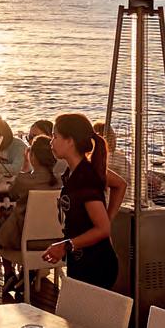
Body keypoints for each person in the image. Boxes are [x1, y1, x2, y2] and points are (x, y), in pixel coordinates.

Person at [42, 113, 120, 289]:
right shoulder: (74, 172)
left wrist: (66, 246)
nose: (51, 142)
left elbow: (103, 229)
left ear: (70, 141)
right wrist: (107, 218)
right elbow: (120, 184)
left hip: (95, 264)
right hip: (79, 258)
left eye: (55, 137)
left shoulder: (84, 178)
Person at [0, 135, 59, 251]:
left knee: (3, 218)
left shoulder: (23, 180)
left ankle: (5, 262)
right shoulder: (60, 181)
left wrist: (25, 168)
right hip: (55, 241)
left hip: (25, 242)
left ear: (32, 156)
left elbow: (12, 194)